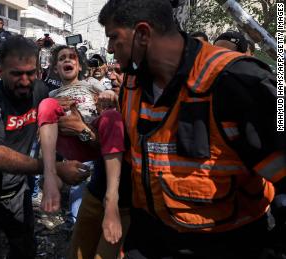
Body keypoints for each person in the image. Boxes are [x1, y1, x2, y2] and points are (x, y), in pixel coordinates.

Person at [97, 0, 285, 257]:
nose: (109, 49)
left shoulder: (237, 82)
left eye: (114, 37)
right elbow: (136, 163)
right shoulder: (131, 85)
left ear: (142, 33)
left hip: (230, 245)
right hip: (150, 239)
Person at [0, 35, 90, 259]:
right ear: (0, 70)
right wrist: (55, 170)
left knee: (24, 250)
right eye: (16, 74)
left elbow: (51, 120)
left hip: (18, 193)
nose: (24, 81)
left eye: (30, 73)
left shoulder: (40, 91)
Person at [38, 45, 125, 244]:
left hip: (94, 138)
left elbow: (112, 104)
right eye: (62, 58)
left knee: (111, 117)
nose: (67, 60)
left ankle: (112, 196)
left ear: (79, 67)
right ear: (55, 68)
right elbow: (43, 130)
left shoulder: (92, 84)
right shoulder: (52, 95)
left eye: (72, 57)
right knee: (45, 105)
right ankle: (51, 177)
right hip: (71, 150)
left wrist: (109, 97)